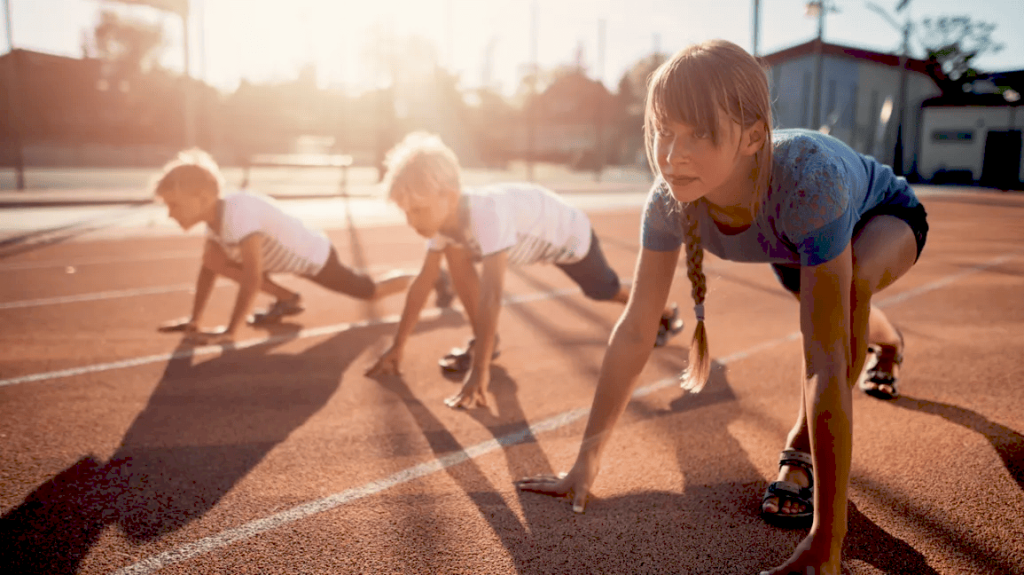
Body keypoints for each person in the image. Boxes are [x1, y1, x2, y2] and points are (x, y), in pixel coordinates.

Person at [515, 39, 928, 575]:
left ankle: (800, 446)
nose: (673, 154)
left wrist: (827, 545)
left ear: (754, 136)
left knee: (847, 300)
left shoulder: (810, 182)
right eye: (664, 131)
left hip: (883, 217)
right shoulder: (668, 199)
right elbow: (638, 327)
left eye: (700, 133)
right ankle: (888, 341)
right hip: (794, 244)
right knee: (829, 300)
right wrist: (584, 462)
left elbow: (824, 364)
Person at [364, 132, 687, 409]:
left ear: (448, 196)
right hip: (534, 238)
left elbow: (492, 296)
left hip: (569, 237)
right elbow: (423, 283)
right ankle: (485, 341)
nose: (412, 222)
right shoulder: (443, 225)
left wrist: (479, 371)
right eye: (406, 213)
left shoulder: (486, 214)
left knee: (603, 290)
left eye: (418, 210)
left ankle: (664, 313)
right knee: (454, 254)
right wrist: (398, 346)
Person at [152, 148, 449, 345]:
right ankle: (288, 300)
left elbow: (253, 277)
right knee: (213, 260)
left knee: (370, 292)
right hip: (285, 261)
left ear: (203, 197)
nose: (170, 213)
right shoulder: (215, 221)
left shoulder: (237, 214)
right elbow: (209, 270)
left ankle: (436, 278)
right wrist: (195, 320)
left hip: (314, 257)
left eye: (175, 204)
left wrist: (231, 331)